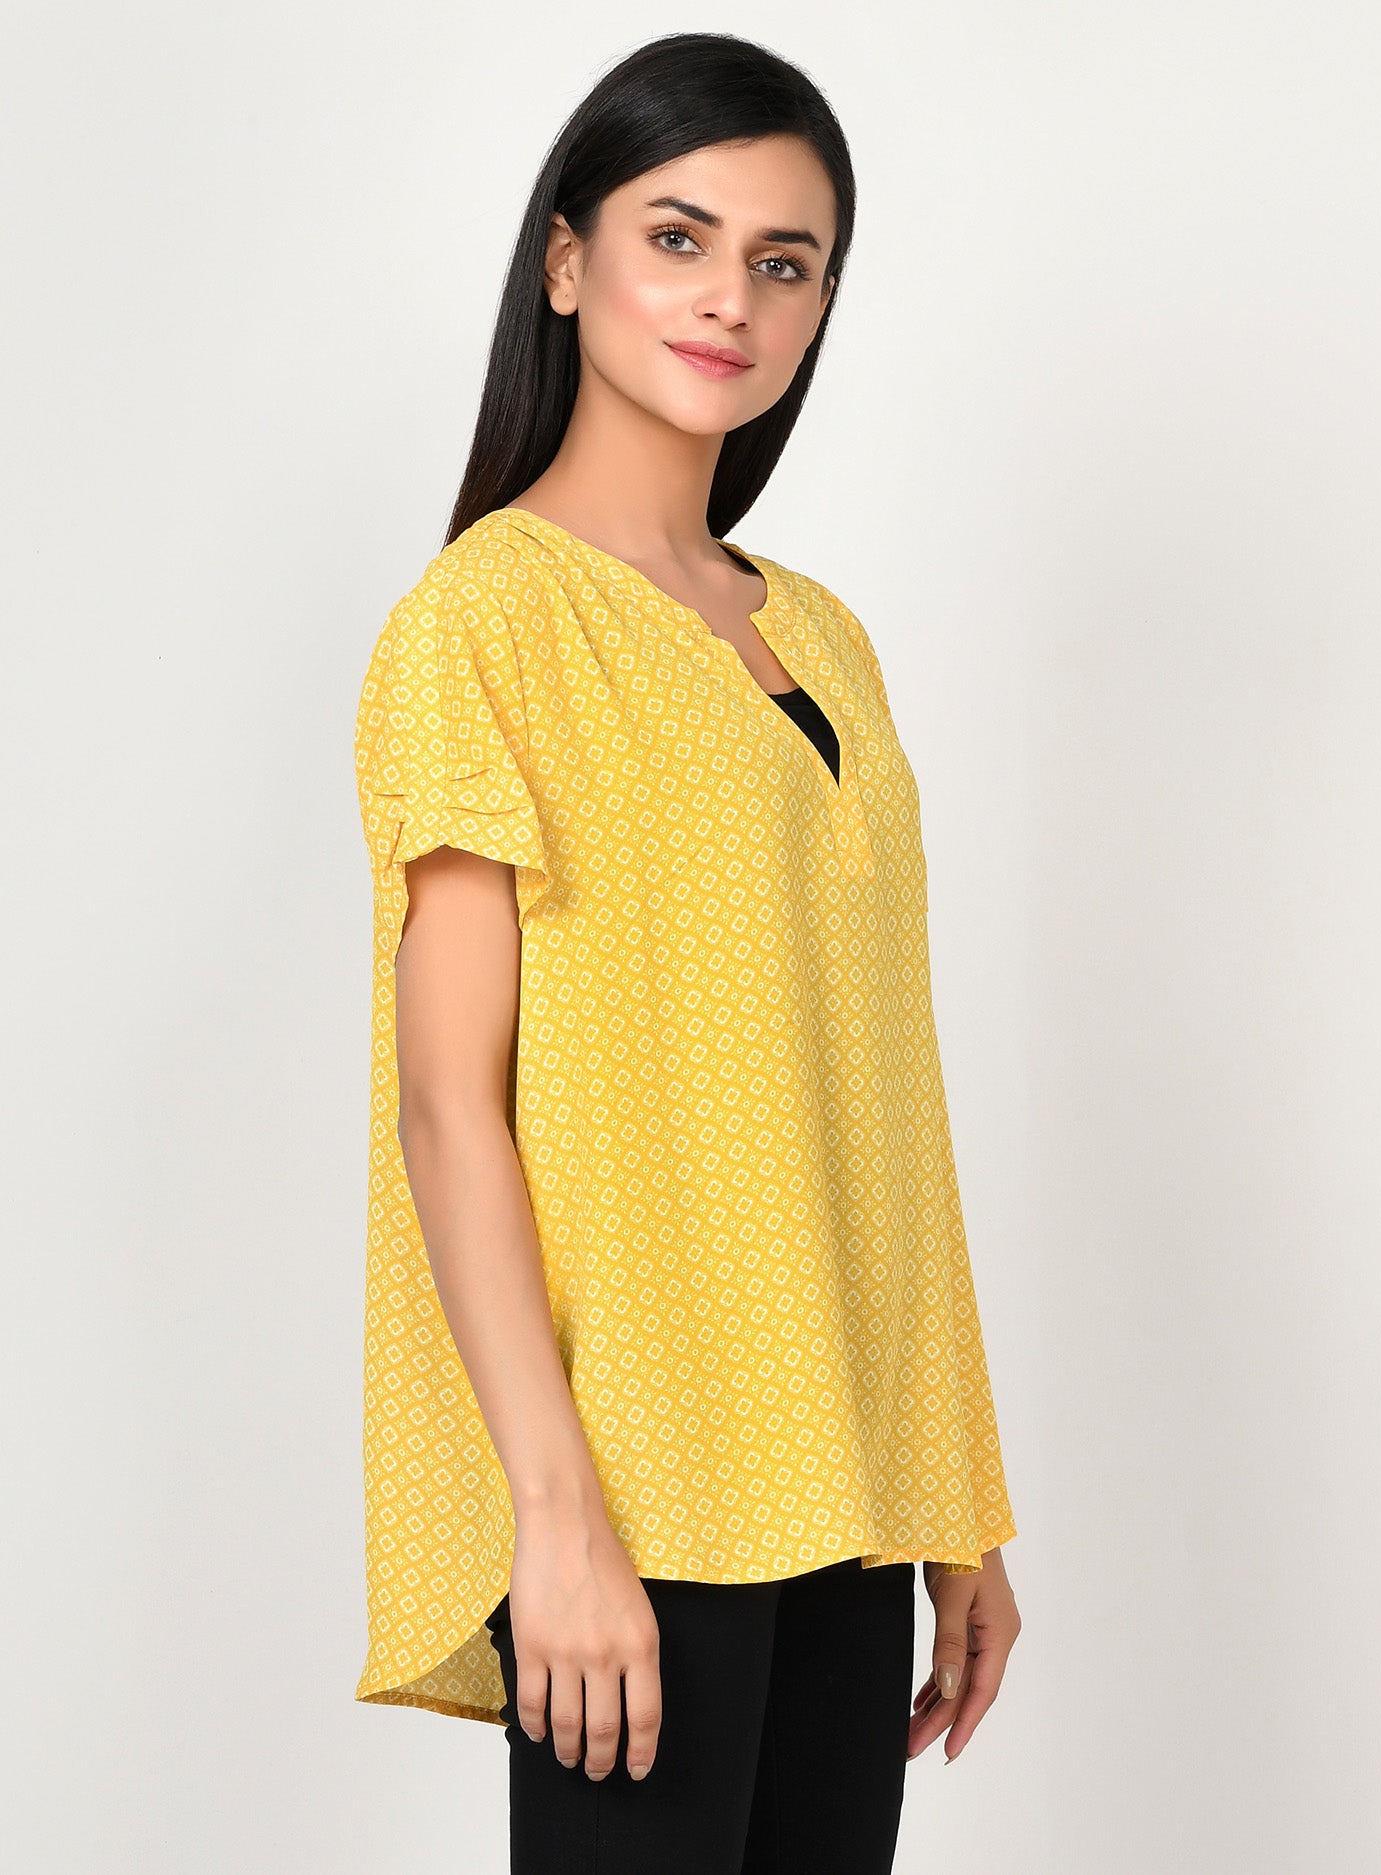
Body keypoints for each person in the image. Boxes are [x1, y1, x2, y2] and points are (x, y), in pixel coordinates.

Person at [352, 30, 1022, 1874]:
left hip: (849, 1472)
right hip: (639, 1481)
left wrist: (953, 1500)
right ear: (567, 262)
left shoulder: (825, 634)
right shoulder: (484, 620)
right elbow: (449, 1107)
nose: (732, 296)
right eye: (679, 237)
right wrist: (555, 1518)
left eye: (784, 261)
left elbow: (880, 1092)